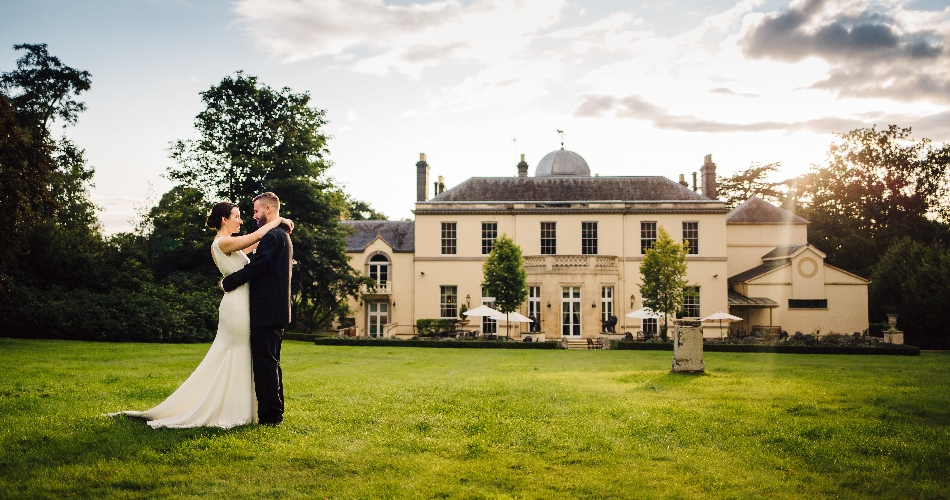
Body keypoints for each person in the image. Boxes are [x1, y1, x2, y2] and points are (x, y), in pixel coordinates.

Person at [108, 201, 292, 428]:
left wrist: (277, 226)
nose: (241, 220)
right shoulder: (222, 242)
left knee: (242, 356)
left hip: (244, 305)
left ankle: (241, 407)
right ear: (224, 220)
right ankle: (230, 408)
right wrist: (279, 221)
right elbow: (257, 235)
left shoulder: (233, 244)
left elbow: (257, 245)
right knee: (235, 354)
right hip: (236, 307)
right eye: (237, 216)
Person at [220, 192, 293, 426]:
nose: (254, 216)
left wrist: (227, 283)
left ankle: (271, 418)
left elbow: (257, 268)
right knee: (269, 363)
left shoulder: (274, 237)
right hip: (271, 310)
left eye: (256, 211)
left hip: (268, 310)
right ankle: (273, 414)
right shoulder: (276, 234)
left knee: (266, 365)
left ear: (269, 210)